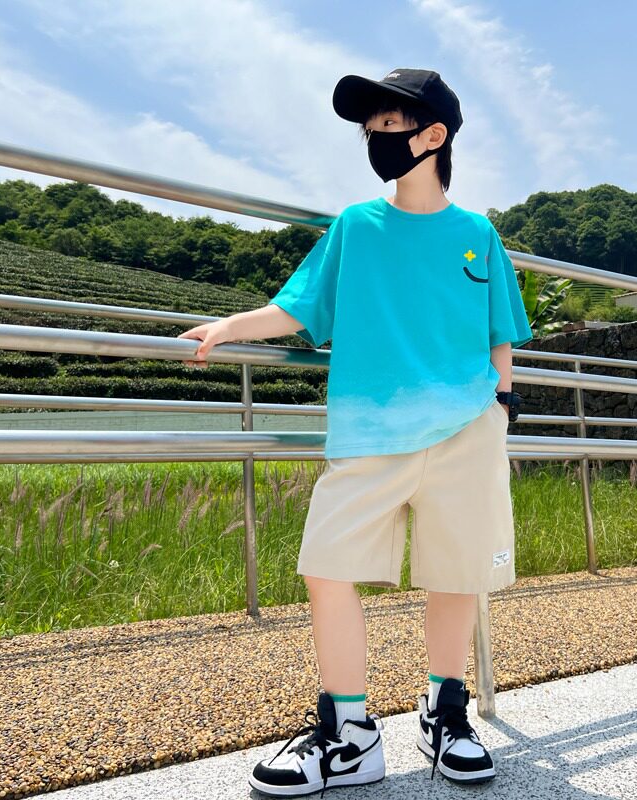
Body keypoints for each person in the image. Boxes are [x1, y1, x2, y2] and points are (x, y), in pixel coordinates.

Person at [178, 67, 533, 796]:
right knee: (328, 566)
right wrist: (230, 326)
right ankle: (349, 734)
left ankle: (445, 714)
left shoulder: (477, 234)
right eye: (370, 127)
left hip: (468, 429)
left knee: (457, 571)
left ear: (434, 136)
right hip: (368, 431)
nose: (376, 135)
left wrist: (500, 405)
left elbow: (501, 333)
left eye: (390, 124)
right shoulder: (355, 226)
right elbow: (299, 306)